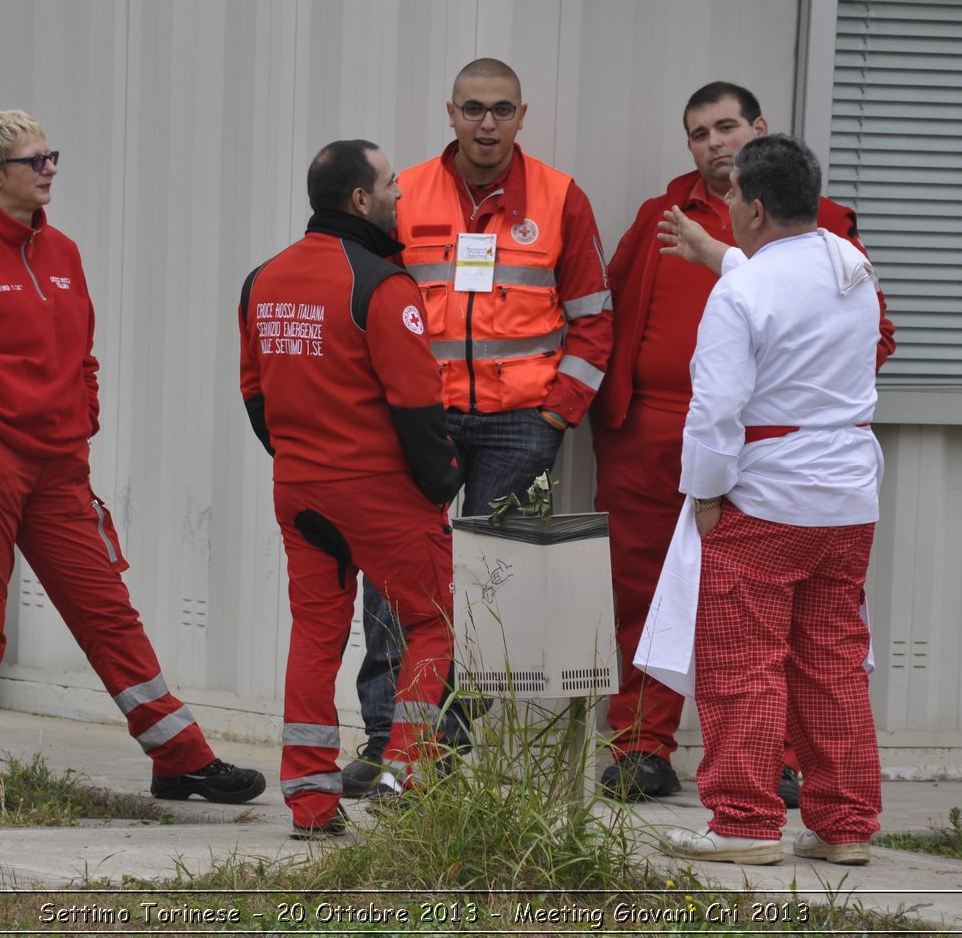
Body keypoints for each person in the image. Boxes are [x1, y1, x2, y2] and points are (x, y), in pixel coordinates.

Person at [0, 110, 265, 810]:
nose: (50, 168)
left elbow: (81, 355)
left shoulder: (62, 253)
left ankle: (180, 758)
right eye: (34, 160)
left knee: (108, 612)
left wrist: (83, 420)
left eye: (51, 155)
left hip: (59, 470)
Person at [592, 82, 894, 803]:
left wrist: (713, 482)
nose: (713, 142)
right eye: (698, 132)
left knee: (763, 636)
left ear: (758, 131)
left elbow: (842, 337)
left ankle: (765, 785)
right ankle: (644, 746)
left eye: (726, 126)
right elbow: (613, 310)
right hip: (658, 441)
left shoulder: (824, 231)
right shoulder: (664, 218)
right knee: (648, 601)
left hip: (753, 458)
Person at [341, 58, 614, 795]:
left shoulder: (559, 199)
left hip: (520, 422)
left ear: (523, 116)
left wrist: (558, 411)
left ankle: (443, 744)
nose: (486, 123)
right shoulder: (407, 193)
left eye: (501, 109)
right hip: (419, 420)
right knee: (397, 579)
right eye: (472, 108)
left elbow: (594, 320)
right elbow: (369, 301)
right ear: (450, 113)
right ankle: (382, 736)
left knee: (488, 584)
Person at [659, 134, 884, 866]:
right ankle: (844, 822)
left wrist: (705, 492)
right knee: (833, 661)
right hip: (847, 497)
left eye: (730, 197)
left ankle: (744, 823)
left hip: (767, 494)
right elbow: (788, 285)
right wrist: (716, 253)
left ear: (752, 206)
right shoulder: (852, 265)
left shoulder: (741, 289)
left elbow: (716, 407)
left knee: (741, 662)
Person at [239, 140, 464, 838]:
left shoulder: (262, 280)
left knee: (314, 631)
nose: (403, 197)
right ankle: (405, 772)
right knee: (432, 624)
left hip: (300, 490)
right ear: (362, 200)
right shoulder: (382, 286)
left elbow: (255, 396)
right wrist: (442, 484)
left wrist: (299, 457)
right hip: (379, 492)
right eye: (393, 185)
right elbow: (418, 406)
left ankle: (310, 799)